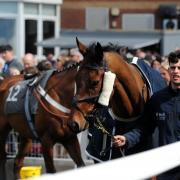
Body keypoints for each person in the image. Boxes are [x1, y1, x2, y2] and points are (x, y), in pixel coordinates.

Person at [113, 50, 180, 180]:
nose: (175, 71)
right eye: (173, 68)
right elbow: (145, 127)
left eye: (179, 68)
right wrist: (127, 139)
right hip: (166, 168)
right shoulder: (158, 99)